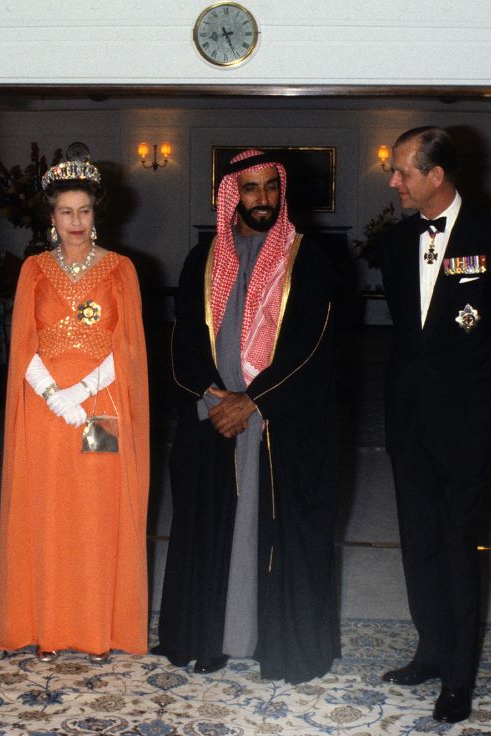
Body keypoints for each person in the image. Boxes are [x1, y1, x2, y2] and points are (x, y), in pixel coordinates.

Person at [153, 150, 340, 683]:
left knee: (276, 530)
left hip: (282, 424)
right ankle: (210, 636)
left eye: (270, 188)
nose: (262, 199)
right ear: (232, 195)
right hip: (215, 420)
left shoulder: (309, 260)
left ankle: (277, 644)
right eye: (250, 188)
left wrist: (255, 400)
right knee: (212, 527)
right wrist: (213, 398)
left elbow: (311, 347)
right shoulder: (202, 260)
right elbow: (184, 340)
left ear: (282, 193)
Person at [378, 127, 491, 722]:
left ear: (436, 175)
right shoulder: (397, 244)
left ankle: (459, 677)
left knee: (456, 542)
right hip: (409, 421)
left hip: (469, 426)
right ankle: (430, 649)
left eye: (403, 171)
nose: (394, 181)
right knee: (417, 540)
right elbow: (408, 338)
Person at [0, 160, 149, 663]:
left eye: (83, 210)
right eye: (65, 212)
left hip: (100, 407)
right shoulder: (33, 269)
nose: (75, 221)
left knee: (96, 514)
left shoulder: (121, 269)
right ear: (51, 217)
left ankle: (96, 628)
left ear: (96, 213)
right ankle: (48, 628)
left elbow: (126, 347)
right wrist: (51, 393)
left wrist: (79, 392)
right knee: (49, 513)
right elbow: (21, 343)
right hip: (45, 410)